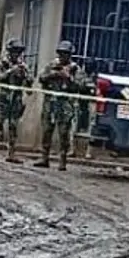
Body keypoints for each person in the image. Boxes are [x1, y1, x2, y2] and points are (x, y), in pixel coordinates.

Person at [36, 40, 86, 170]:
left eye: (65, 54)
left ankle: (63, 159)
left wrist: (68, 77)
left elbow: (81, 86)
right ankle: (44, 157)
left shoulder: (75, 69)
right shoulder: (52, 65)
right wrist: (53, 74)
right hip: (50, 102)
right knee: (46, 130)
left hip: (65, 104)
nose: (62, 56)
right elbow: (41, 78)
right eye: (61, 53)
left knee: (64, 132)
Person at [0, 38, 31, 163]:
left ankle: (11, 153)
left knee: (13, 126)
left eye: (19, 52)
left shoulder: (22, 65)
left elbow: (29, 84)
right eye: (14, 51)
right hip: (2, 97)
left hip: (16, 99)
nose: (17, 54)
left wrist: (25, 74)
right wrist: (11, 71)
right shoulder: (1, 63)